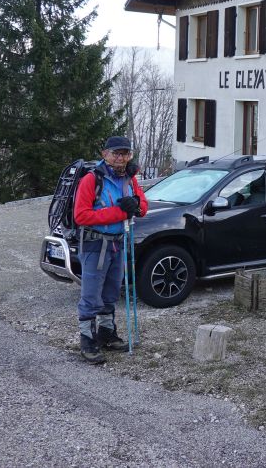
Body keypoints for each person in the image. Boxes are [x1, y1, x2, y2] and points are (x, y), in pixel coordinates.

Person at [73, 136, 149, 363]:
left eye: (125, 153)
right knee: (90, 293)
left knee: (112, 290)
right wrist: (120, 212)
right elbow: (81, 215)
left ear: (130, 155)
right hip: (95, 244)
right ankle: (87, 340)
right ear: (104, 154)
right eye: (116, 153)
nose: (120, 158)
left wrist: (135, 205)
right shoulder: (91, 180)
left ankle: (106, 334)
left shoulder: (130, 179)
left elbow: (144, 207)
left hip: (117, 242)